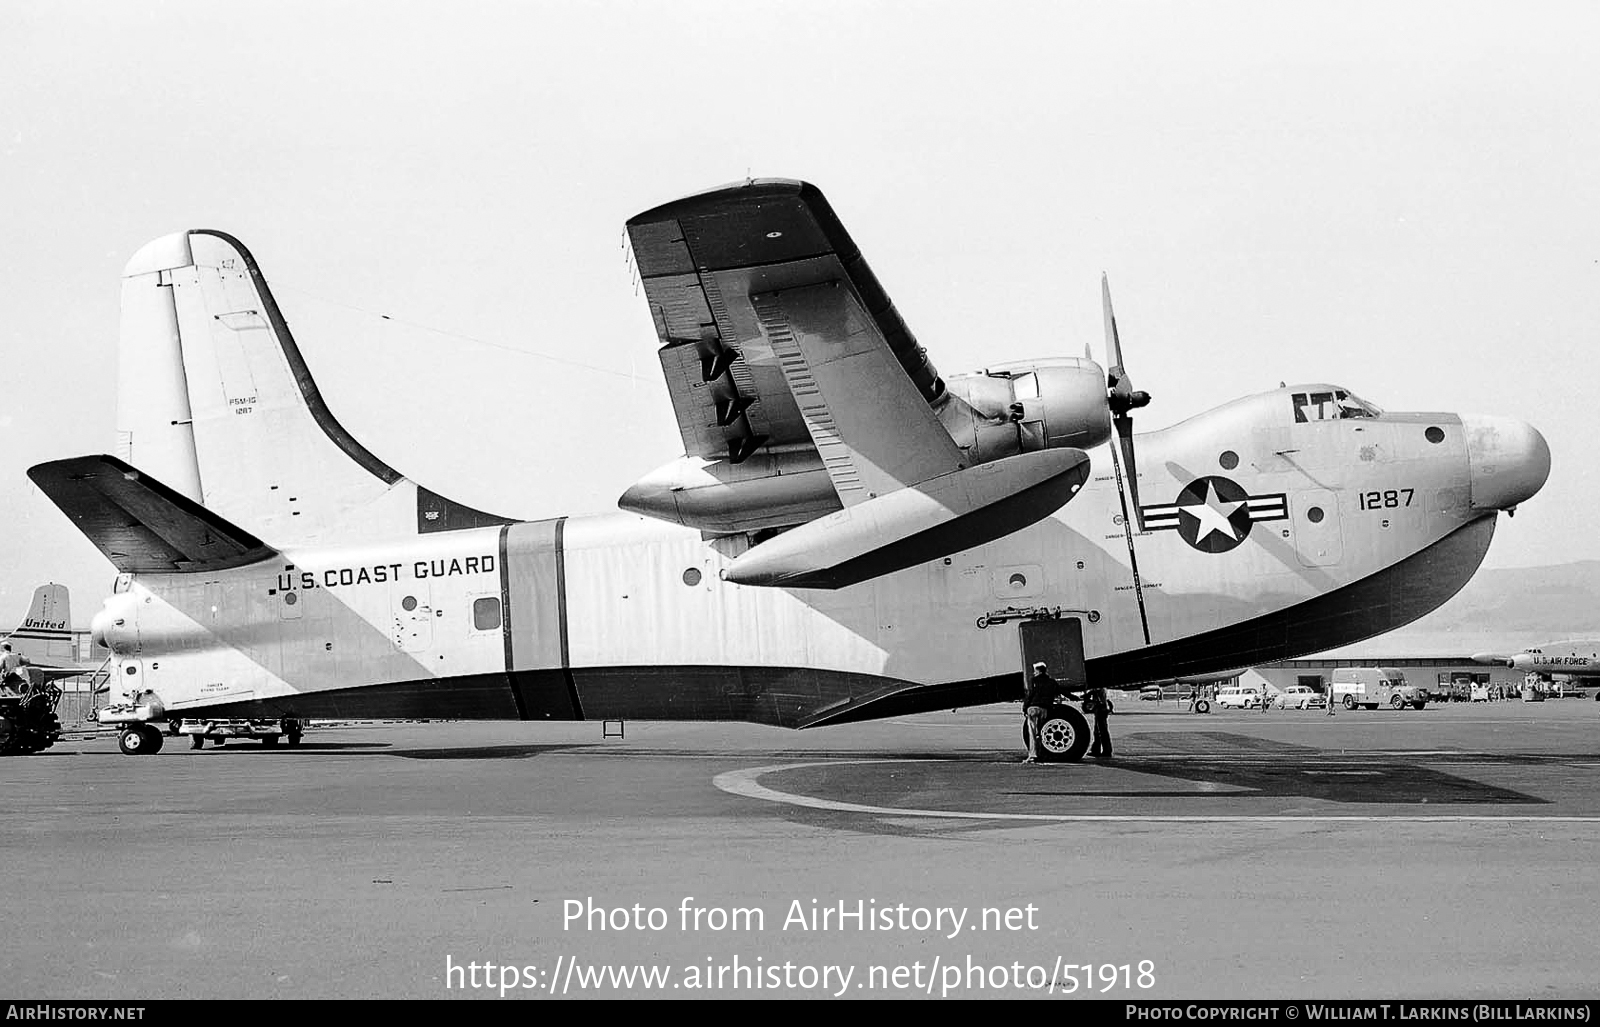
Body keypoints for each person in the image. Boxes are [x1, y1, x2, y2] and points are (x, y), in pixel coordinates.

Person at [1022, 661, 1061, 763]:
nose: (1033, 673)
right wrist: (1074, 697)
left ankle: (1033, 755)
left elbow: (1029, 695)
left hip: (1033, 708)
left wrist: (1025, 707)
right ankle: (1043, 754)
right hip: (1044, 709)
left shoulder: (1033, 681)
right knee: (1042, 732)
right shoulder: (1052, 682)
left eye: (1035, 671)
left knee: (1033, 733)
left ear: (1038, 671)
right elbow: (1061, 691)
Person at [1083, 684, 1113, 758]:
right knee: (1098, 732)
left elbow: (1094, 694)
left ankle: (1106, 751)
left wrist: (1086, 695)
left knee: (1102, 732)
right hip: (1101, 710)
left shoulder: (1099, 689)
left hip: (1101, 710)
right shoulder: (1101, 688)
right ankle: (1096, 750)